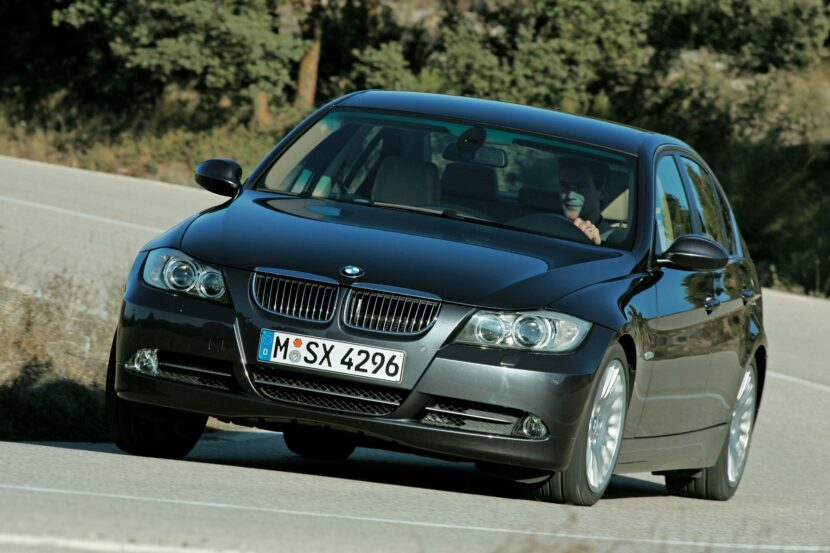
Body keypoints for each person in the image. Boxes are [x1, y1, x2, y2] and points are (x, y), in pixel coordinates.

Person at [558, 157, 611, 245]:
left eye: (581, 186)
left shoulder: (613, 241)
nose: (570, 196)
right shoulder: (547, 228)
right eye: (564, 185)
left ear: (602, 192)